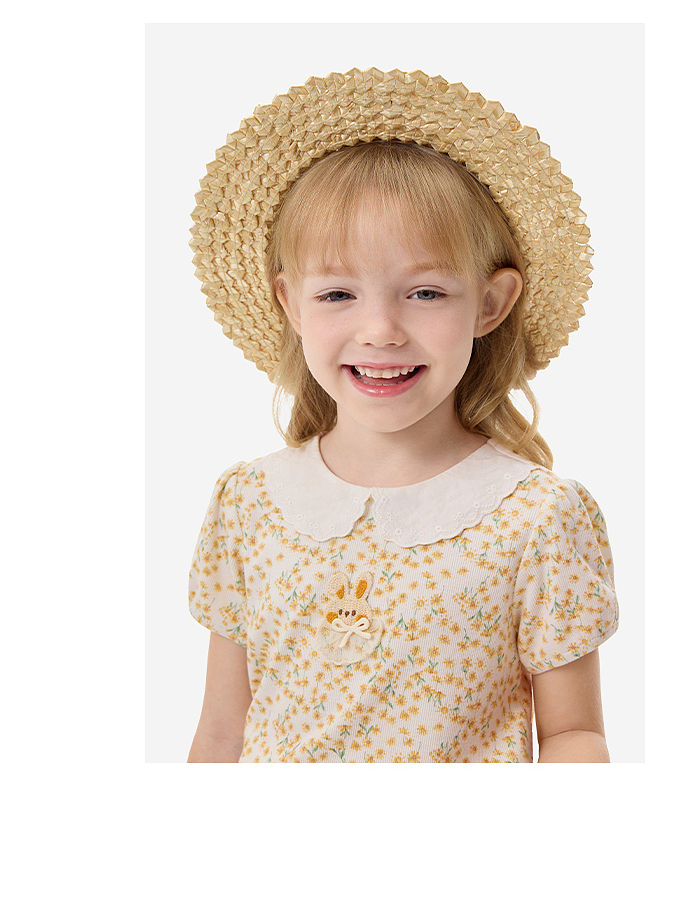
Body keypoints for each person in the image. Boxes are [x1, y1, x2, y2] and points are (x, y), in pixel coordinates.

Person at [186, 68, 618, 763]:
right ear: (290, 304)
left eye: (424, 293)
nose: (381, 331)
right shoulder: (249, 503)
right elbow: (220, 731)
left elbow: (572, 733)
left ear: (490, 304)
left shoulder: (536, 518)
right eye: (337, 295)